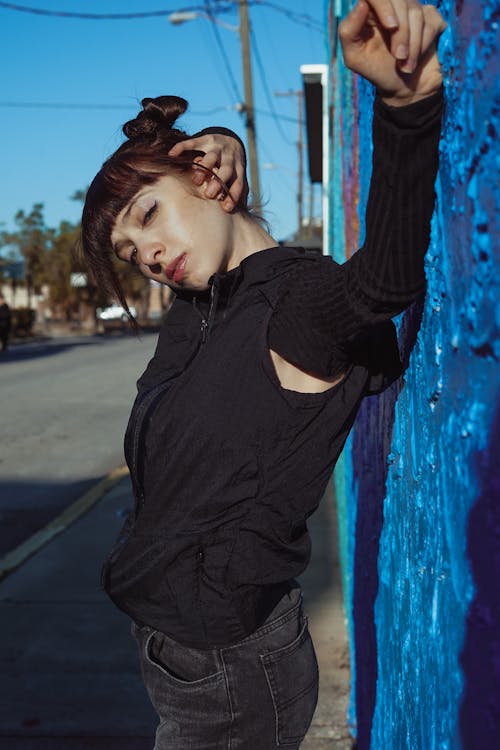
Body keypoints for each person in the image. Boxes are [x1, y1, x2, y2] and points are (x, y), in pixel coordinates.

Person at [80, 1, 446, 747]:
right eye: (128, 252)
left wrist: (407, 105)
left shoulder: (296, 306)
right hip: (179, 655)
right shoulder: (206, 306)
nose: (145, 253)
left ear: (204, 182)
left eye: (147, 215)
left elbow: (383, 281)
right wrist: (220, 140)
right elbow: (212, 231)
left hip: (233, 672)